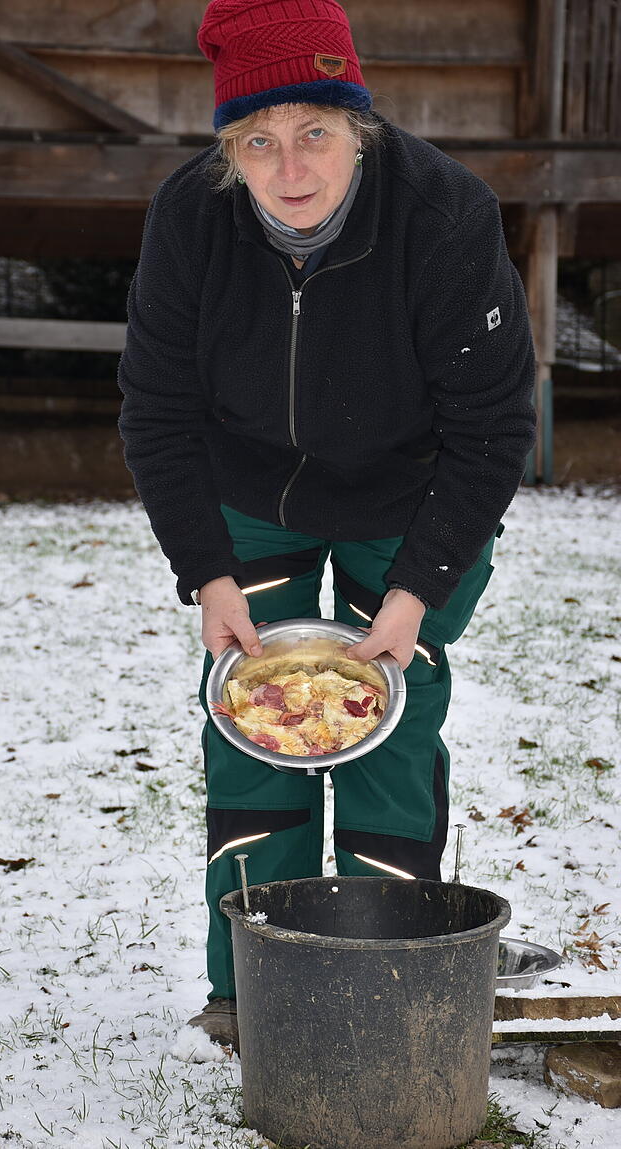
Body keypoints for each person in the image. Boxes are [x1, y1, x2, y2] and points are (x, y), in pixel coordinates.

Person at [118, 0, 535, 1050]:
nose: (289, 167)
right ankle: (248, 987)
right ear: (228, 149)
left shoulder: (444, 216)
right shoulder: (190, 218)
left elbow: (493, 425)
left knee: (394, 720)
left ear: (361, 125)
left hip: (413, 493)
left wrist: (415, 595)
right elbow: (158, 411)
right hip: (248, 492)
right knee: (249, 724)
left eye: (314, 132)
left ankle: (388, 969)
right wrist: (207, 575)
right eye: (257, 139)